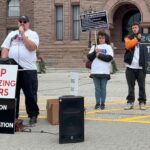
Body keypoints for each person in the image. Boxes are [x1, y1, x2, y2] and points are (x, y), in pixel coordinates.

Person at [1, 15, 39, 124]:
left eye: (25, 21)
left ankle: (32, 115)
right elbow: (5, 48)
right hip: (13, 70)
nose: (22, 23)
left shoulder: (33, 34)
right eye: (20, 21)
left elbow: (32, 47)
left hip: (28, 70)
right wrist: (5, 62)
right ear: (18, 22)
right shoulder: (11, 34)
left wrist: (23, 34)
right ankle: (13, 115)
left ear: (28, 23)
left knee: (30, 94)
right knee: (13, 94)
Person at [87, 31, 114, 110]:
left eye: (102, 38)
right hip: (95, 71)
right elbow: (89, 57)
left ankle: (103, 103)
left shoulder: (108, 47)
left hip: (104, 72)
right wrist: (95, 52)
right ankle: (97, 103)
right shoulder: (94, 46)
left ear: (105, 39)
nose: (101, 39)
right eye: (99, 38)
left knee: (103, 88)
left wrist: (99, 55)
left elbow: (109, 58)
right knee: (97, 88)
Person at [124, 22, 146, 110]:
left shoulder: (145, 38)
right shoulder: (128, 38)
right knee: (130, 86)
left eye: (136, 27)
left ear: (139, 28)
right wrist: (137, 38)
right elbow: (128, 45)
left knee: (142, 86)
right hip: (130, 67)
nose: (134, 29)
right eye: (133, 28)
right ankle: (130, 102)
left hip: (141, 67)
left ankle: (142, 102)